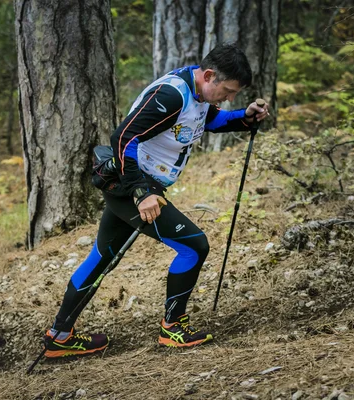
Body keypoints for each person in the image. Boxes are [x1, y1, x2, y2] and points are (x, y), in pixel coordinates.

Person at [43, 42, 269, 357]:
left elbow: (210, 121)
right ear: (208, 75)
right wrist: (142, 193)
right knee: (194, 246)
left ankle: (60, 337)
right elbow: (123, 138)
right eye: (229, 91)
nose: (231, 97)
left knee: (103, 255)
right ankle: (172, 329)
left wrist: (243, 117)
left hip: (135, 184)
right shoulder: (172, 95)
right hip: (131, 184)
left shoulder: (199, 94)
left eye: (235, 94)